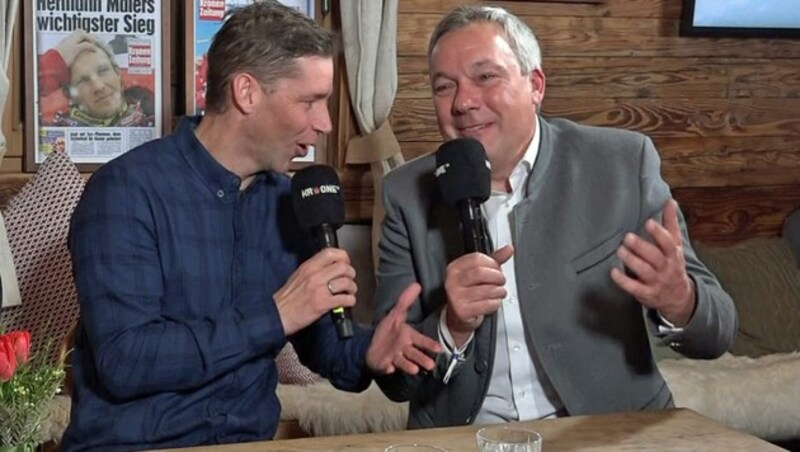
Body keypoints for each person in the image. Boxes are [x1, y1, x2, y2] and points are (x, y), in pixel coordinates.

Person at [62, 2, 440, 450]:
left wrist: (372, 350)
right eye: (311, 101)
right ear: (246, 93)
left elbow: (324, 347)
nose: (325, 124)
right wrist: (276, 314)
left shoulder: (287, 200)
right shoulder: (124, 191)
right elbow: (126, 362)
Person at [373, 5, 737, 429]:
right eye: (443, 86)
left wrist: (680, 300)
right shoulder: (405, 192)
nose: (464, 102)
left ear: (536, 86)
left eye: (485, 77)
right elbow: (395, 381)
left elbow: (718, 333)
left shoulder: (622, 163)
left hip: (607, 432)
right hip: (468, 437)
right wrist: (450, 327)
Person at [37, 30, 153, 127]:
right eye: (83, 80)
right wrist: (54, 61)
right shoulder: (55, 129)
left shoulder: (150, 112)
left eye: (103, 71)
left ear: (117, 73)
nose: (98, 86)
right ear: (68, 95)